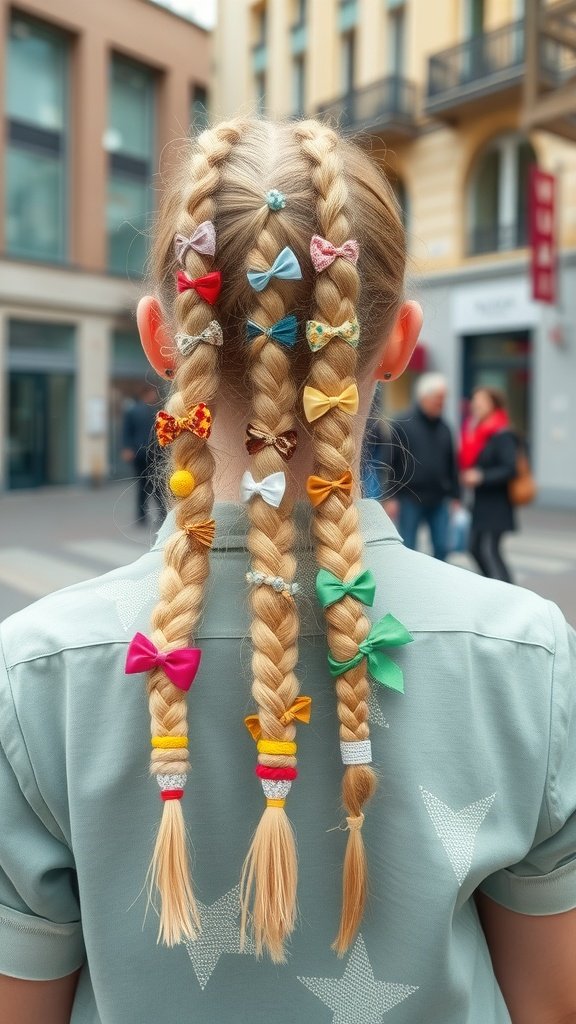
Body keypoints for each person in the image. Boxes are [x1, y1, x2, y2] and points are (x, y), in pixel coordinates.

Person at [0, 118, 575, 1024]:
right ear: (398, 342)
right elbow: (552, 1001)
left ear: (161, 338)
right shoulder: (527, 658)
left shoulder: (34, 676)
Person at [383, 373, 461, 560]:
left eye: (443, 400)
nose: (441, 404)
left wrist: (457, 496)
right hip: (409, 497)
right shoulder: (403, 423)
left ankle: (438, 585)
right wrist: (390, 497)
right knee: (408, 546)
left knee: (442, 547)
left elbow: (452, 463)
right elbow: (390, 462)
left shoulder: (445, 427)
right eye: (438, 399)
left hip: (439, 497)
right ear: (424, 397)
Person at [459, 386, 518, 583]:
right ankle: (493, 585)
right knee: (474, 548)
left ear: (493, 405)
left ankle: (509, 591)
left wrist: (481, 476)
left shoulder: (502, 434)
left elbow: (510, 469)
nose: (476, 405)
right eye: (474, 401)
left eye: (481, 401)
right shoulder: (476, 432)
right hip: (480, 503)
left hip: (497, 505)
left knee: (490, 550)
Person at [121, 383, 166, 525]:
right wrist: (127, 448)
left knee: (157, 486)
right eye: (152, 393)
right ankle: (143, 516)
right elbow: (126, 431)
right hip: (141, 454)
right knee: (144, 486)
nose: (155, 396)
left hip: (154, 454)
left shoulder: (157, 410)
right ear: (146, 394)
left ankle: (161, 514)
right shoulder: (134, 411)